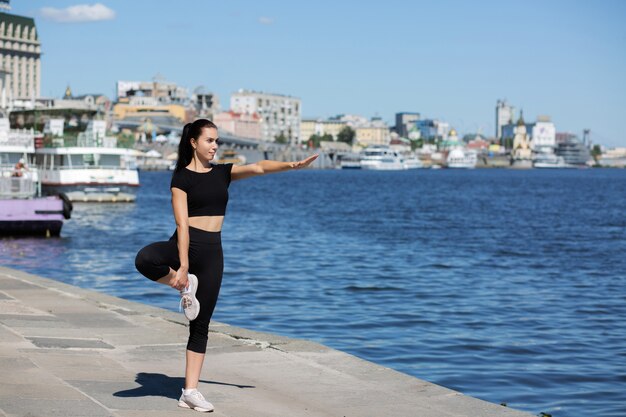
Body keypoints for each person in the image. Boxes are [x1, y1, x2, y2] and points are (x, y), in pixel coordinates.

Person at [134, 119, 317, 413]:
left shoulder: (223, 173)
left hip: (212, 251)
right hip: (186, 244)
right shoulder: (181, 178)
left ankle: (190, 392)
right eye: (209, 140)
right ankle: (182, 285)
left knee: (200, 324)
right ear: (193, 142)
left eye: (217, 141)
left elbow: (258, 168)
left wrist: (292, 166)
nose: (215, 146)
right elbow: (181, 223)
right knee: (145, 259)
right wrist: (181, 269)